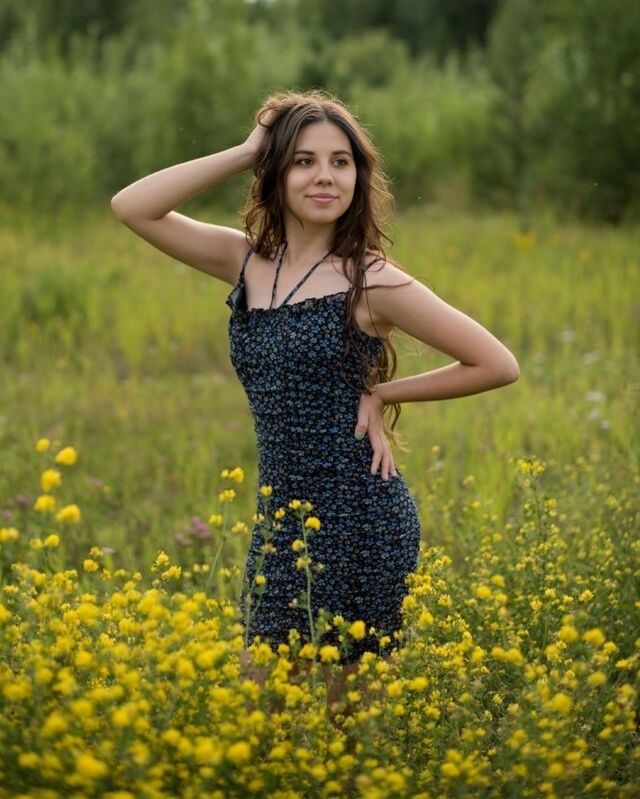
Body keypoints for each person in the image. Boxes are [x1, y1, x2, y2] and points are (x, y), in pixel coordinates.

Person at [111, 89, 519, 732]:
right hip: (281, 524)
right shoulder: (246, 263)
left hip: (362, 520)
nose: (325, 176)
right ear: (276, 173)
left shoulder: (372, 280)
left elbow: (496, 362)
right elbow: (132, 206)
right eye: (303, 161)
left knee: (347, 731)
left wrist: (384, 393)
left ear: (358, 178)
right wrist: (247, 149)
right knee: (259, 720)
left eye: (340, 162)